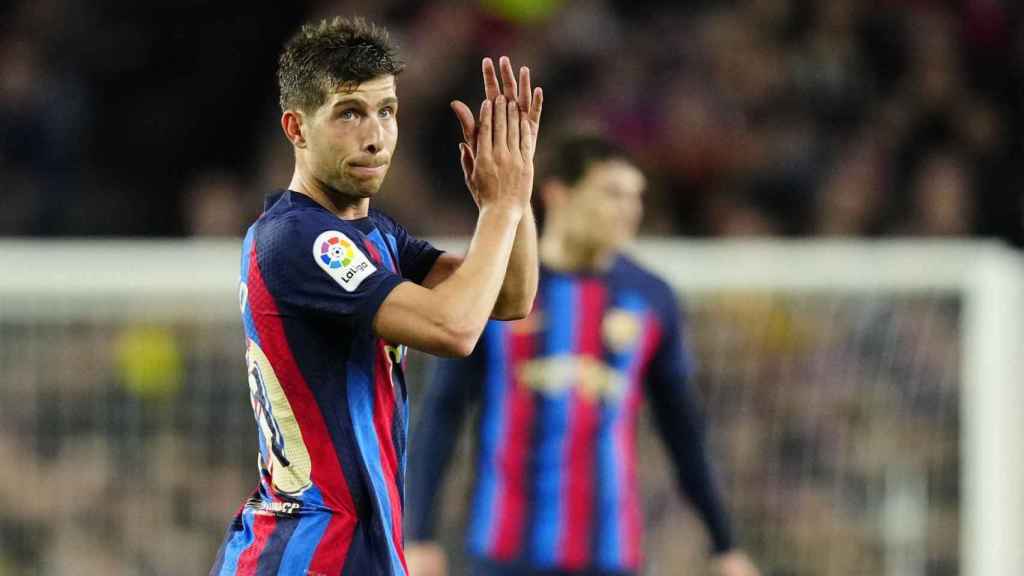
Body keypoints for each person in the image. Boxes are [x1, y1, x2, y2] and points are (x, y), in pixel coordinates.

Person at [210, 16, 543, 576]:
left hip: (360, 550)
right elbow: (454, 329)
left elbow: (508, 299)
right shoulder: (297, 238)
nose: (375, 135)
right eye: (349, 113)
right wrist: (501, 208)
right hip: (305, 553)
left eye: (386, 111)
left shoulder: (376, 237)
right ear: (296, 127)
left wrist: (514, 191)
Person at [405, 135, 760, 576]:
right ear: (558, 194)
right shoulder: (498, 291)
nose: (629, 209)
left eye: (637, 196)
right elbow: (443, 413)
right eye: (612, 193)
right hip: (505, 549)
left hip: (610, 552)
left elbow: (682, 429)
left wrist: (725, 545)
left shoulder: (651, 298)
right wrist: (418, 534)